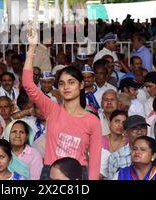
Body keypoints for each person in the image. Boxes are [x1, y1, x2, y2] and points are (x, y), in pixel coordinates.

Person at [24, 28, 102, 180]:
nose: (66, 87)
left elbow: (95, 159)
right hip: (50, 173)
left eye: (71, 82)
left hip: (78, 174)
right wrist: (32, 47)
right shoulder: (52, 109)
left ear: (81, 85)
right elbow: (28, 83)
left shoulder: (92, 120)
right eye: (61, 83)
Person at [107, 115, 149, 179]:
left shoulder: (155, 155)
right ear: (125, 132)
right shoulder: (115, 157)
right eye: (135, 128)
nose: (140, 132)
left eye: (143, 128)